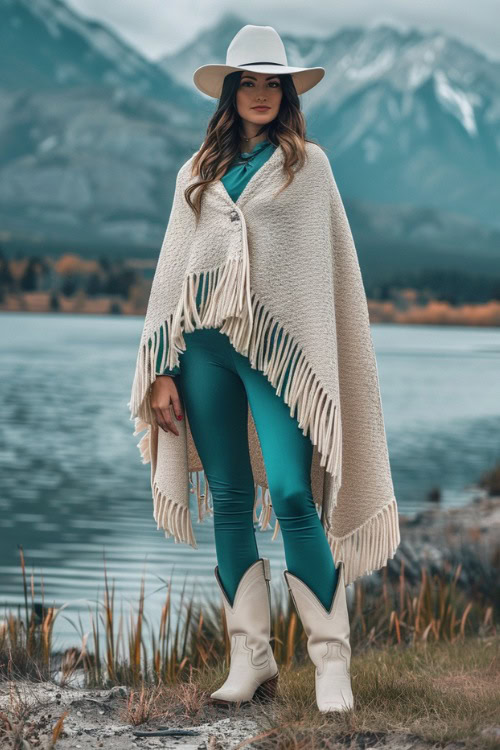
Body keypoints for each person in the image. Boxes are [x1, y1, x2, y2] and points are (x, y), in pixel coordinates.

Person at [130, 24, 400, 713]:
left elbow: (328, 278)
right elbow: (170, 279)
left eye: (271, 82)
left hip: (279, 360)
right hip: (203, 355)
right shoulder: (196, 173)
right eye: (247, 81)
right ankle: (250, 660)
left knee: (288, 493)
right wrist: (161, 367)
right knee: (226, 497)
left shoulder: (310, 167)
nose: (259, 93)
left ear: (286, 92)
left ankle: (331, 663)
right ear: (229, 91)